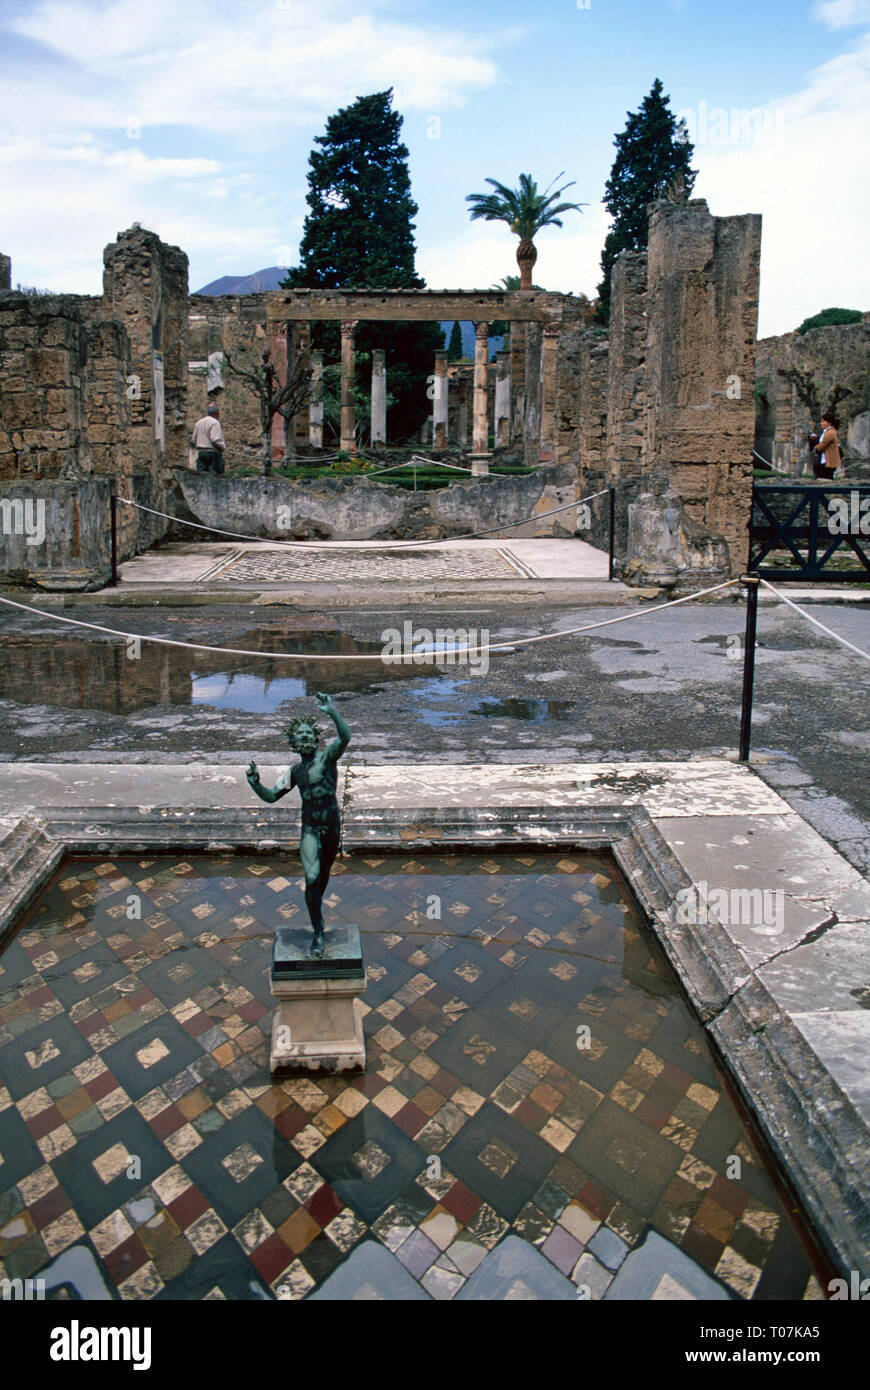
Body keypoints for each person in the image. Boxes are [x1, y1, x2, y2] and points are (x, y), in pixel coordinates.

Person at [246, 694, 351, 959]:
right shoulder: (294, 772)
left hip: (332, 827)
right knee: (312, 878)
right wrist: (255, 783)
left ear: (316, 739)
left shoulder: (327, 758)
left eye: (308, 734)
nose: (304, 738)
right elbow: (271, 796)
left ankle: (317, 915)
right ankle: (318, 932)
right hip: (310, 830)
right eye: (299, 735)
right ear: (293, 743)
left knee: (324, 874)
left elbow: (345, 737)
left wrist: (332, 712)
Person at [191, 402, 226, 474]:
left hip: (201, 452)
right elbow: (214, 439)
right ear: (216, 413)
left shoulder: (198, 423)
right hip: (213, 453)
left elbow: (194, 439)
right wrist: (222, 447)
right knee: (216, 476)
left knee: (202, 476)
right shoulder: (215, 423)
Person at [812, 413, 841, 479]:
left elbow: (822, 445)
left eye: (824, 421)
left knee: (825, 479)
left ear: (829, 423)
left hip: (827, 461)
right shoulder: (826, 432)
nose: (822, 423)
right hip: (822, 460)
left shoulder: (830, 432)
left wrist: (815, 448)